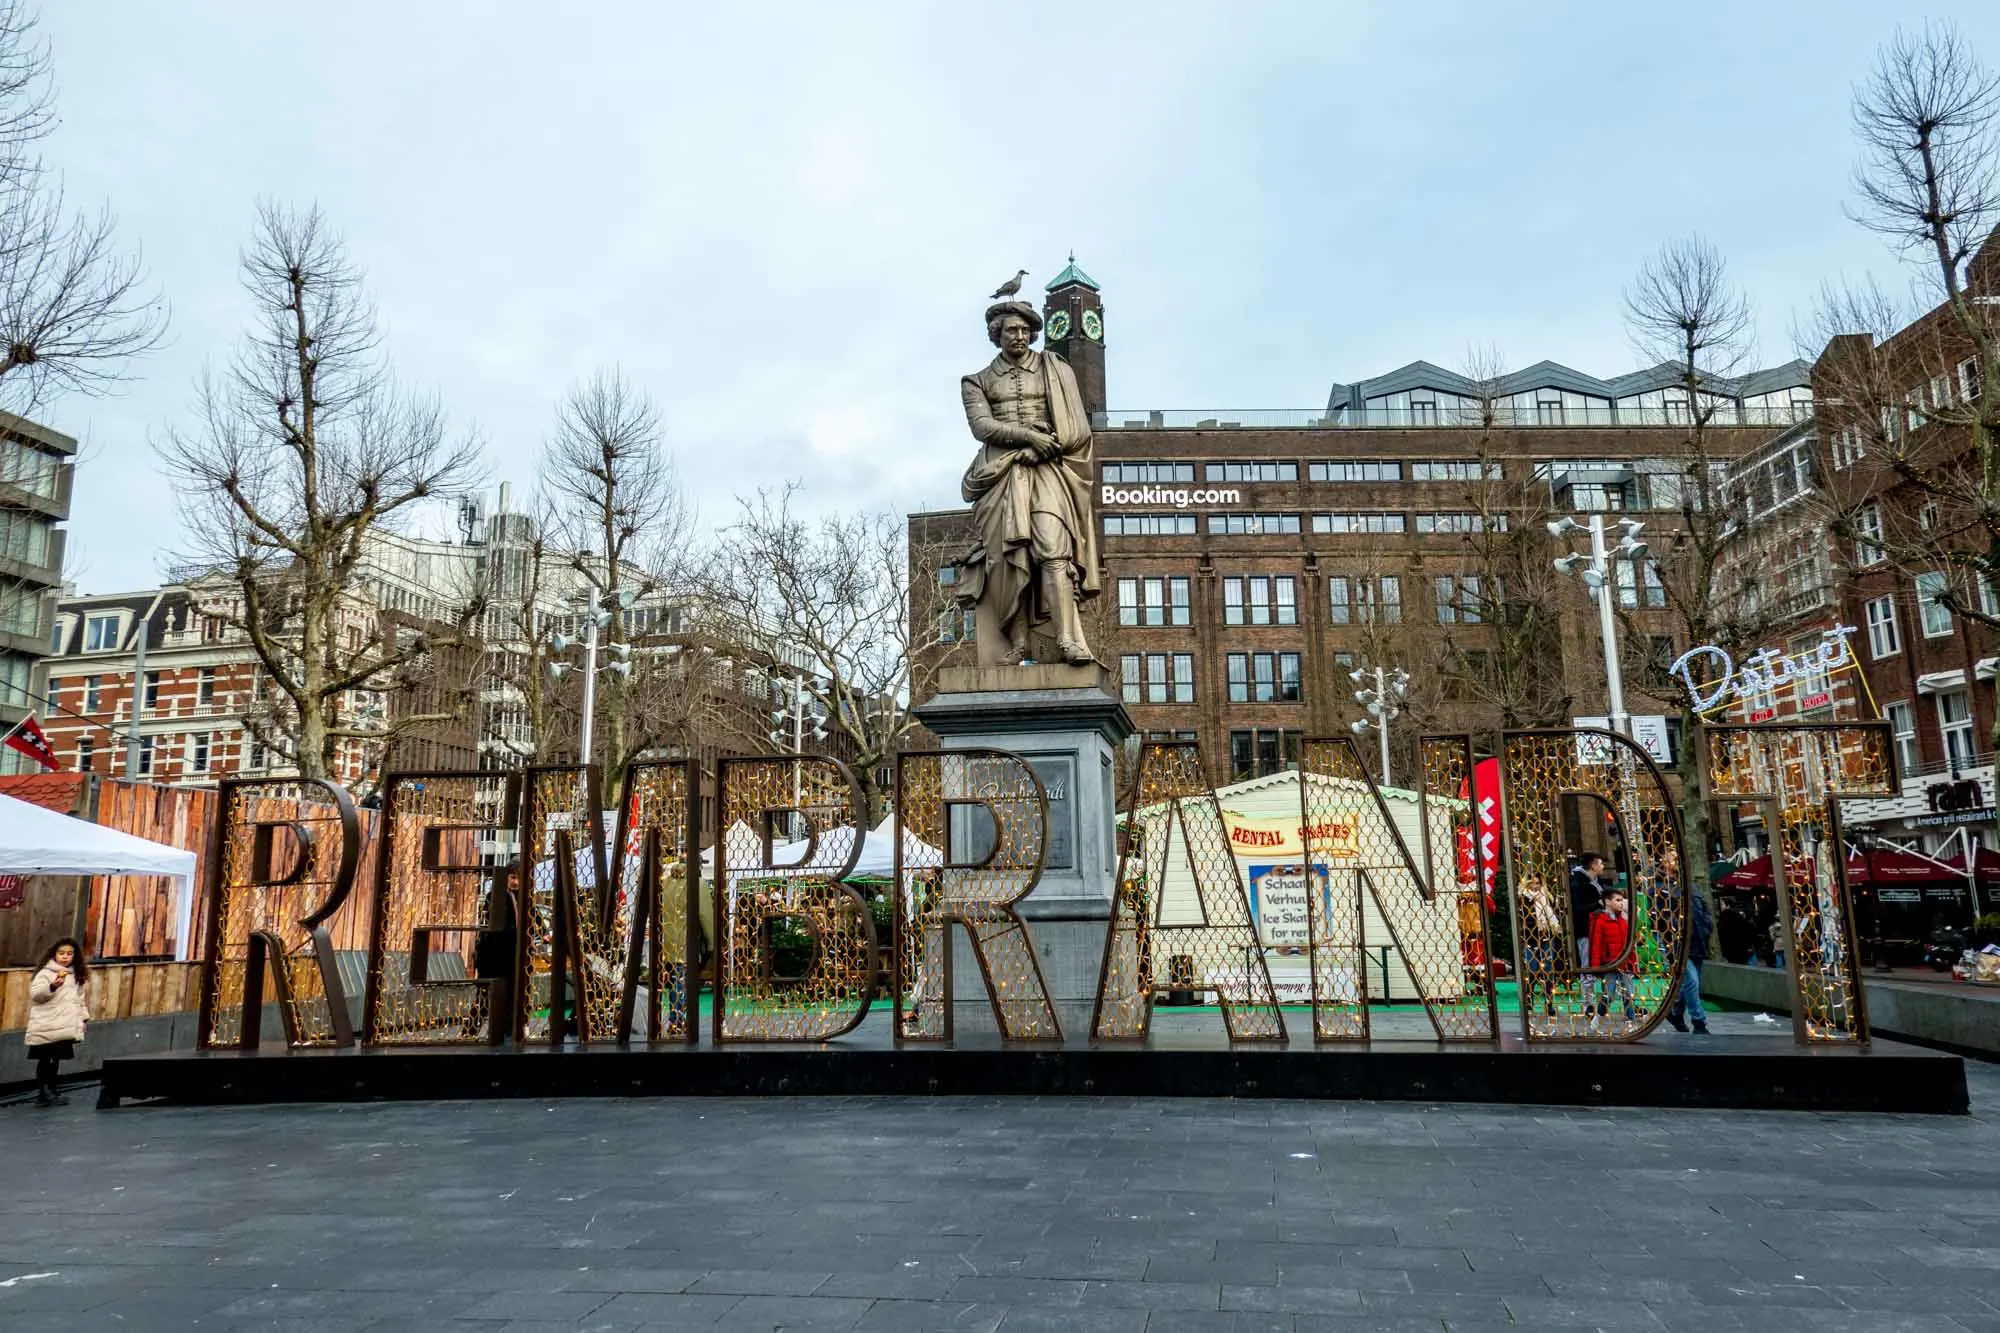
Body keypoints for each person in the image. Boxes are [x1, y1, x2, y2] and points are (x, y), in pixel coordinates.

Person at [955, 301, 1100, 666]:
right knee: (1006, 559)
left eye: (1023, 330)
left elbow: (1076, 425)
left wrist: (1044, 446)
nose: (1018, 336)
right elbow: (982, 427)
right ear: (997, 335)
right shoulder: (977, 381)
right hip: (1001, 474)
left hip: (1048, 469)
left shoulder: (1054, 368)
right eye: (1010, 330)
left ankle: (1067, 640)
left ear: (1032, 333)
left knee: (1053, 548)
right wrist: (1028, 439)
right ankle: (1018, 643)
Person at [26, 937, 89, 1107]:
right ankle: (44, 1092)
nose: (65, 957)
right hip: (47, 1023)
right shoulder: (46, 973)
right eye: (61, 953)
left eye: (69, 953)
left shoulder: (76, 974)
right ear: (54, 954)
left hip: (65, 1023)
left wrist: (83, 1019)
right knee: (46, 1058)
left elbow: (79, 1000)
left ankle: (52, 1089)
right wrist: (52, 987)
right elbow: (36, 995)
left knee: (56, 1058)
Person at [1587, 889, 1638, 1021]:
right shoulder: (1600, 920)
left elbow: (1629, 944)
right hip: (1610, 963)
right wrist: (1595, 966)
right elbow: (1595, 944)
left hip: (1623, 962)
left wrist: (1633, 963)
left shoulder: (1623, 921)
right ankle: (1600, 1012)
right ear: (1608, 902)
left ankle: (1630, 1017)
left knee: (1629, 992)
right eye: (1618, 900)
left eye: (1622, 900)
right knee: (1610, 993)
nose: (1621, 903)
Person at [1668, 888, 1713, 1035]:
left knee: (1688, 984)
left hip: (1698, 944)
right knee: (1692, 981)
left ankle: (1675, 1012)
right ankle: (1698, 1021)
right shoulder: (1668, 891)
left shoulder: (1695, 892)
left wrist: (1707, 926)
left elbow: (1705, 914)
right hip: (1681, 946)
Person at [1517, 874, 1562, 1016]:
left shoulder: (1546, 897)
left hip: (1546, 936)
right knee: (1533, 968)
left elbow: (1553, 914)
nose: (1535, 886)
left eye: (1538, 883)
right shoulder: (1522, 899)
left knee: (1548, 969)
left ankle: (1549, 1002)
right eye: (1532, 883)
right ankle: (1529, 998)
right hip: (1530, 937)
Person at [1568, 853, 1607, 972]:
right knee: (1587, 960)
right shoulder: (1578, 883)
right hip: (1585, 928)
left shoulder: (1595, 881)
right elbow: (1578, 906)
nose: (1603, 866)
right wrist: (1598, 904)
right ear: (1593, 866)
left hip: (1597, 927)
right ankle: (1587, 988)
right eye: (1601, 864)